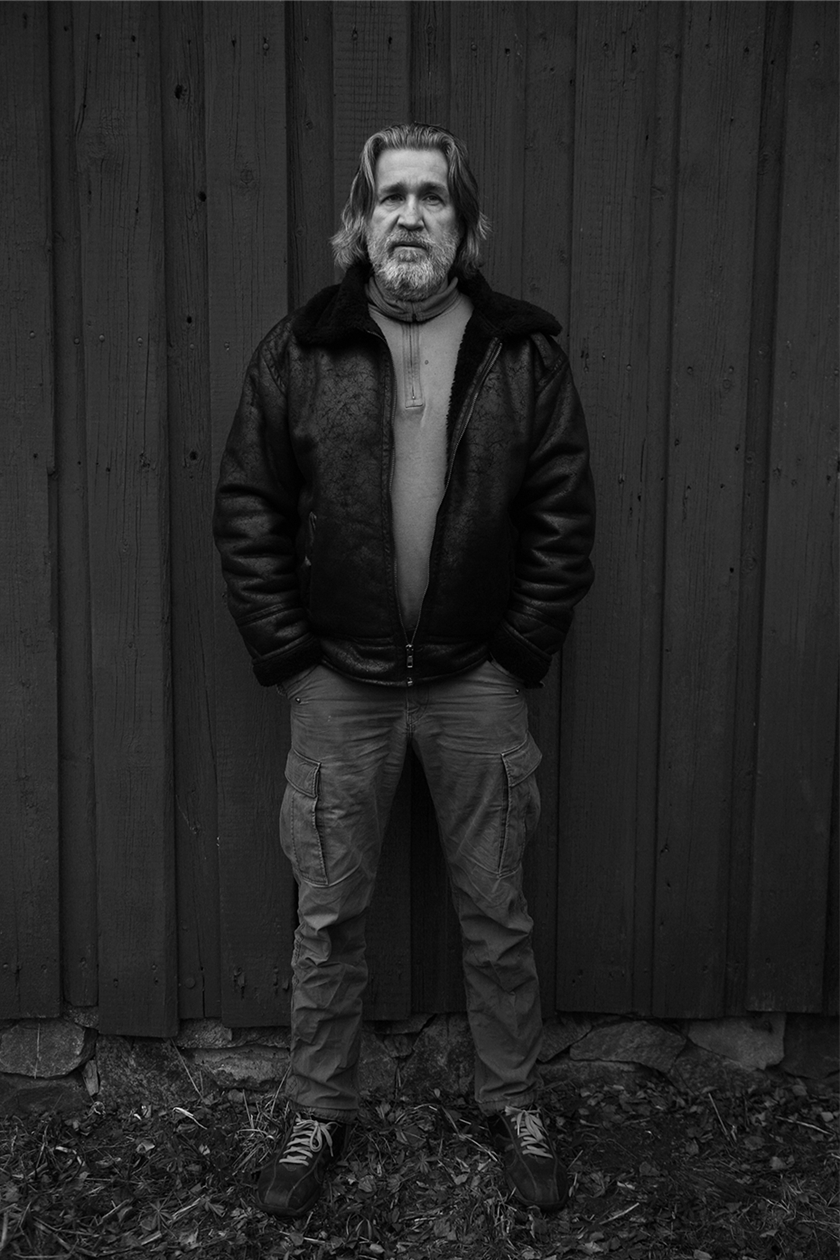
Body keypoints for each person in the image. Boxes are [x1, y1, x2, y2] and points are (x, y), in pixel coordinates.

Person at [213, 122, 595, 1219]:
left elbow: (562, 515)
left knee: (497, 910)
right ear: (361, 220)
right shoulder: (302, 350)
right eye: (392, 198)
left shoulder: (523, 353)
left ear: (464, 225)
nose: (412, 217)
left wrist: (518, 651)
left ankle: (513, 1100)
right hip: (340, 680)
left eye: (433, 197)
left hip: (477, 678)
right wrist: (293, 658)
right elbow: (249, 509)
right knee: (328, 916)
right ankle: (317, 1110)